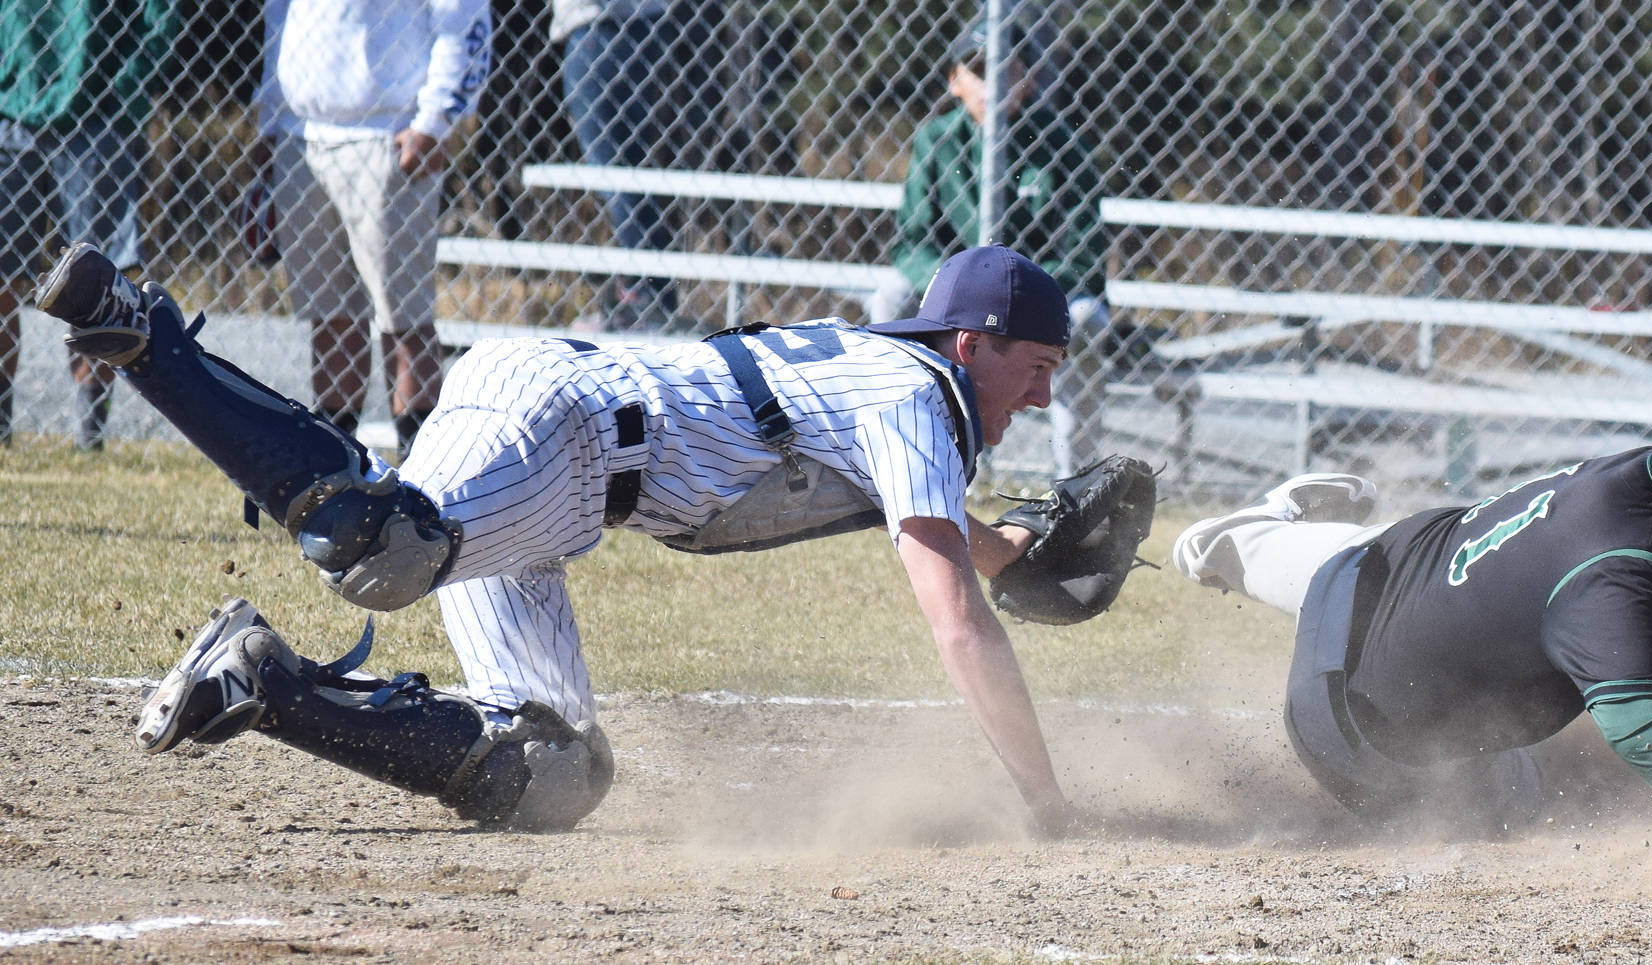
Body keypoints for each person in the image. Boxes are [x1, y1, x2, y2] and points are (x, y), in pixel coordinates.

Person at [40, 241, 1088, 834]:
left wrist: (1016, 551)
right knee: (381, 549)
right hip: (575, 430)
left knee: (550, 772)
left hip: (571, 474)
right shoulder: (917, 391)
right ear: (968, 341)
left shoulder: (893, 379)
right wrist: (1045, 794)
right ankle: (145, 330)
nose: (1041, 395)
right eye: (1035, 364)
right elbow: (954, 621)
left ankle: (268, 685)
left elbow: (947, 541)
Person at [1171, 354, 1652, 834]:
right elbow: (1644, 732)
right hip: (1357, 731)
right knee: (1564, 802)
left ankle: (1249, 541)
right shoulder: (1621, 568)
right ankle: (1253, 542)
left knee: (1373, 576)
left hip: (1385, 561)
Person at [870, 10, 1111, 477]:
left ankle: (1075, 480)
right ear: (955, 81)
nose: (993, 85)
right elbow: (912, 240)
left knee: (1088, 319)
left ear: (1027, 79)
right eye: (979, 72)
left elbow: (1085, 256)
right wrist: (959, 292)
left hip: (1043, 302)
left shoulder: (1061, 144)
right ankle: (909, 458)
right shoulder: (937, 141)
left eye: (1007, 72)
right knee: (890, 296)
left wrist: (1018, 295)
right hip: (957, 299)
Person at [253, 0, 492, 454]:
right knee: (330, 319)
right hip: (302, 137)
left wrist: (435, 122)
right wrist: (270, 121)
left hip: (388, 136)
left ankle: (424, 473)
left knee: (404, 320)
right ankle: (335, 468)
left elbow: (461, 19)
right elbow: (279, 20)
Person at [0, 0, 178, 449]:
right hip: (10, 107)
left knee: (94, 287)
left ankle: (89, 437)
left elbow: (163, 15)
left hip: (96, 114)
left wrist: (125, 81)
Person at [551, 0, 709, 333]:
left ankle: (642, 297)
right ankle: (652, 296)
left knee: (613, 172)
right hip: (643, 25)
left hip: (601, 27)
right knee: (632, 172)